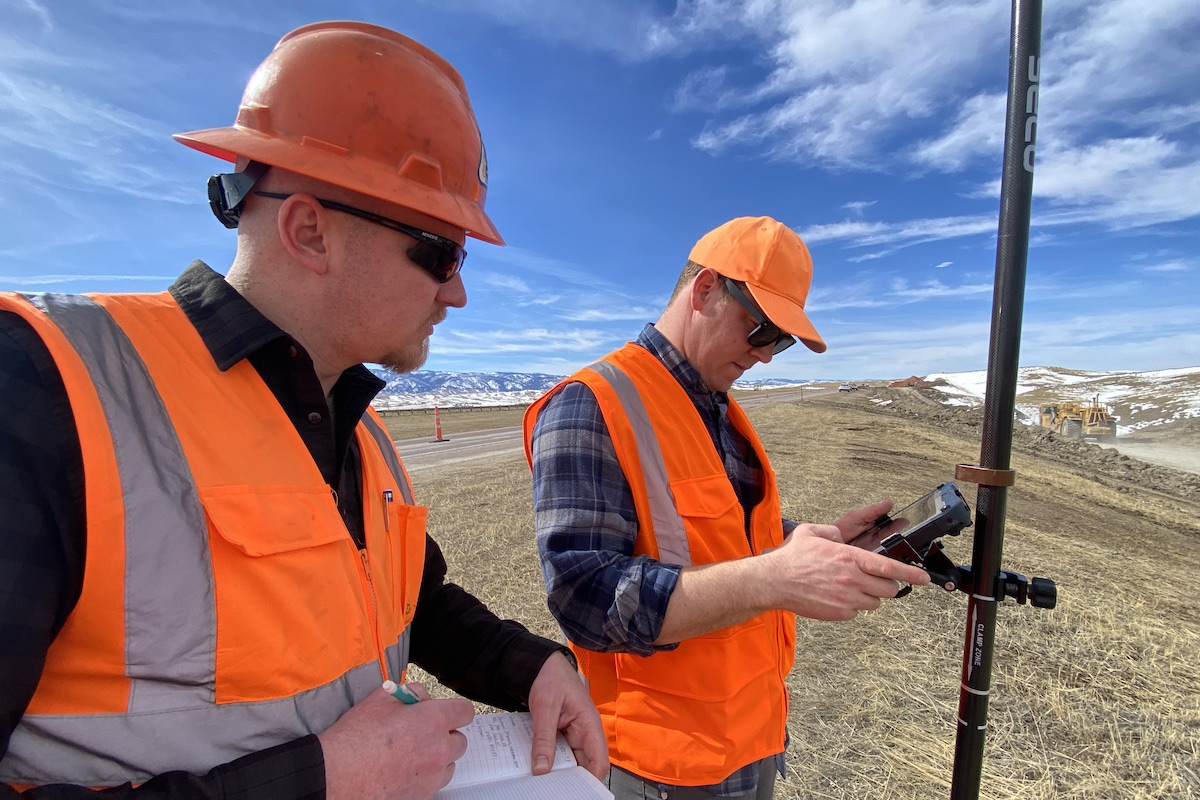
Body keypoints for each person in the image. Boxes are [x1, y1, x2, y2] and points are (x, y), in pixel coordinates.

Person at [0, 21, 605, 799]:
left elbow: (413, 604)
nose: (458, 291)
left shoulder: (361, 431)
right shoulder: (46, 387)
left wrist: (534, 664)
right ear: (310, 230)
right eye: (443, 252)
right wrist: (317, 781)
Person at [522, 216, 931, 799]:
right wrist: (773, 579)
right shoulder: (591, 404)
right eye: (760, 330)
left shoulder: (712, 403)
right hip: (659, 768)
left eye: (780, 341)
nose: (765, 356)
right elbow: (584, 599)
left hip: (750, 741)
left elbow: (719, 540)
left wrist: (809, 544)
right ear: (706, 288)